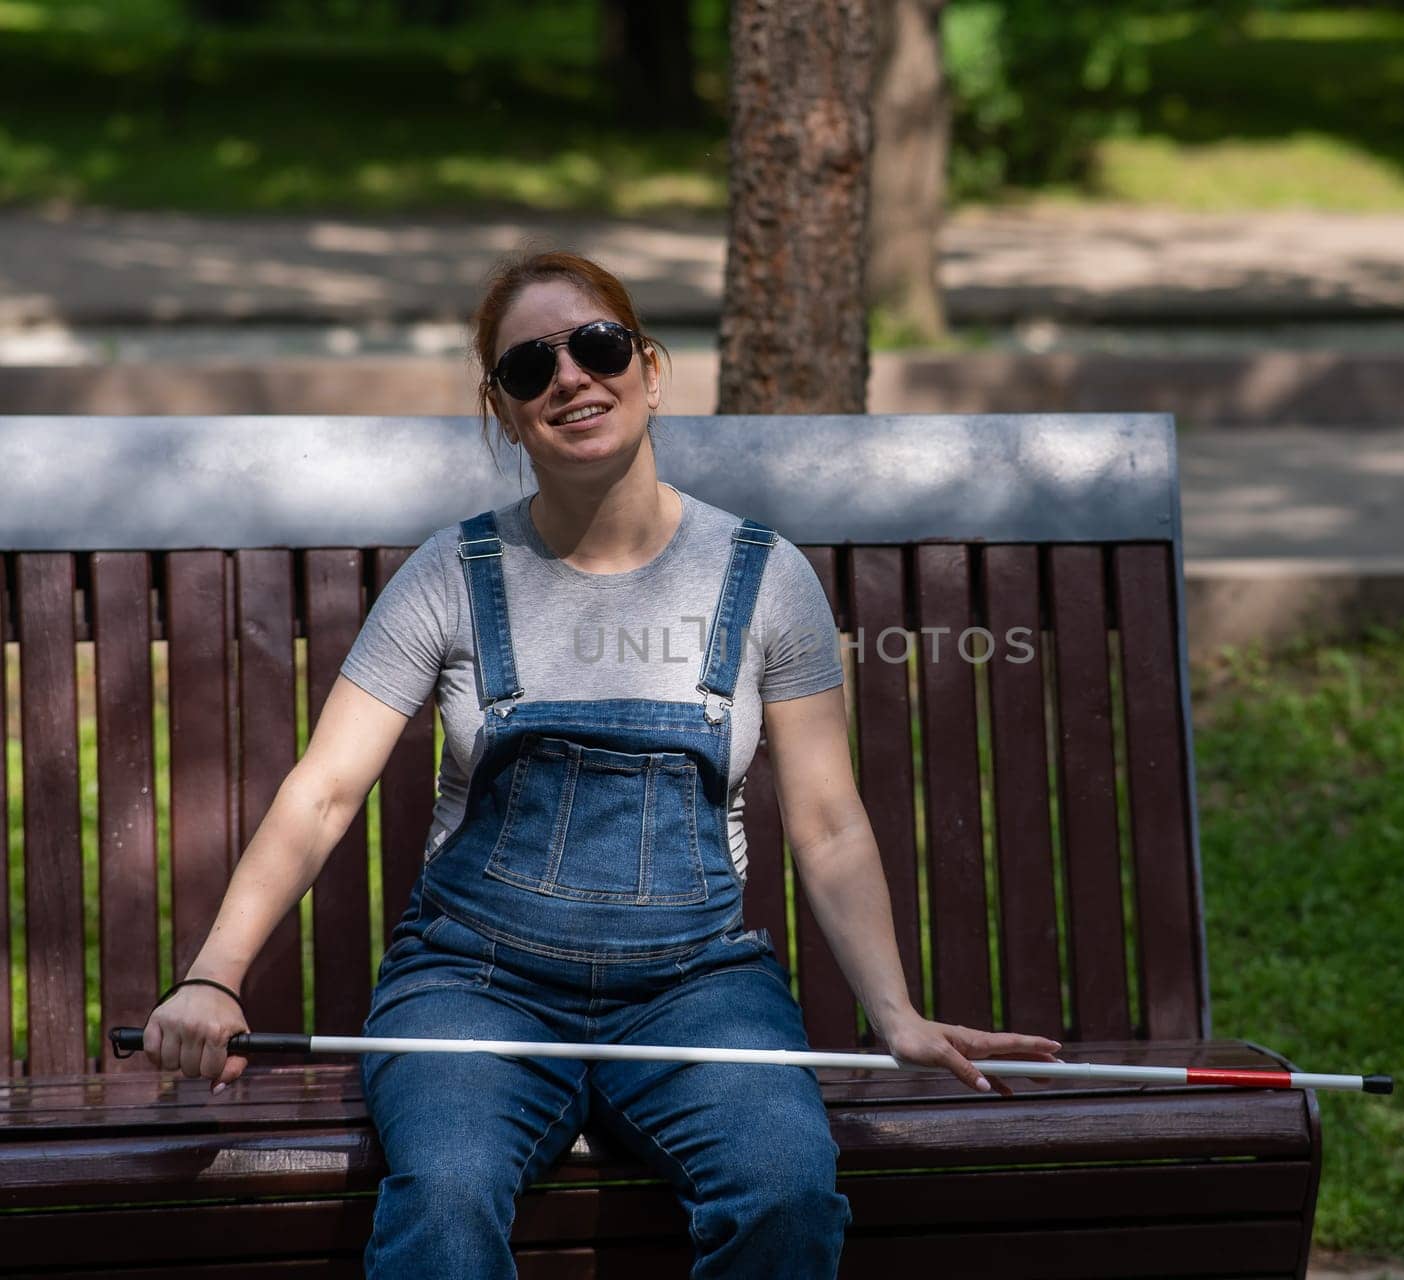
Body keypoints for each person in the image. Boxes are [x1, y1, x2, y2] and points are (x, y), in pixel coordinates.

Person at [140, 249, 1063, 1278]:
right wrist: (211, 977)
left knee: (787, 1189)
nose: (570, 378)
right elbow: (321, 791)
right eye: (530, 368)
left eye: (596, 345)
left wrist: (893, 1011)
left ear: (651, 368)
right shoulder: (451, 574)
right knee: (443, 1198)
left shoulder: (762, 577)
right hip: (474, 985)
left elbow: (828, 818)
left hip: (696, 984)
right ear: (503, 411)